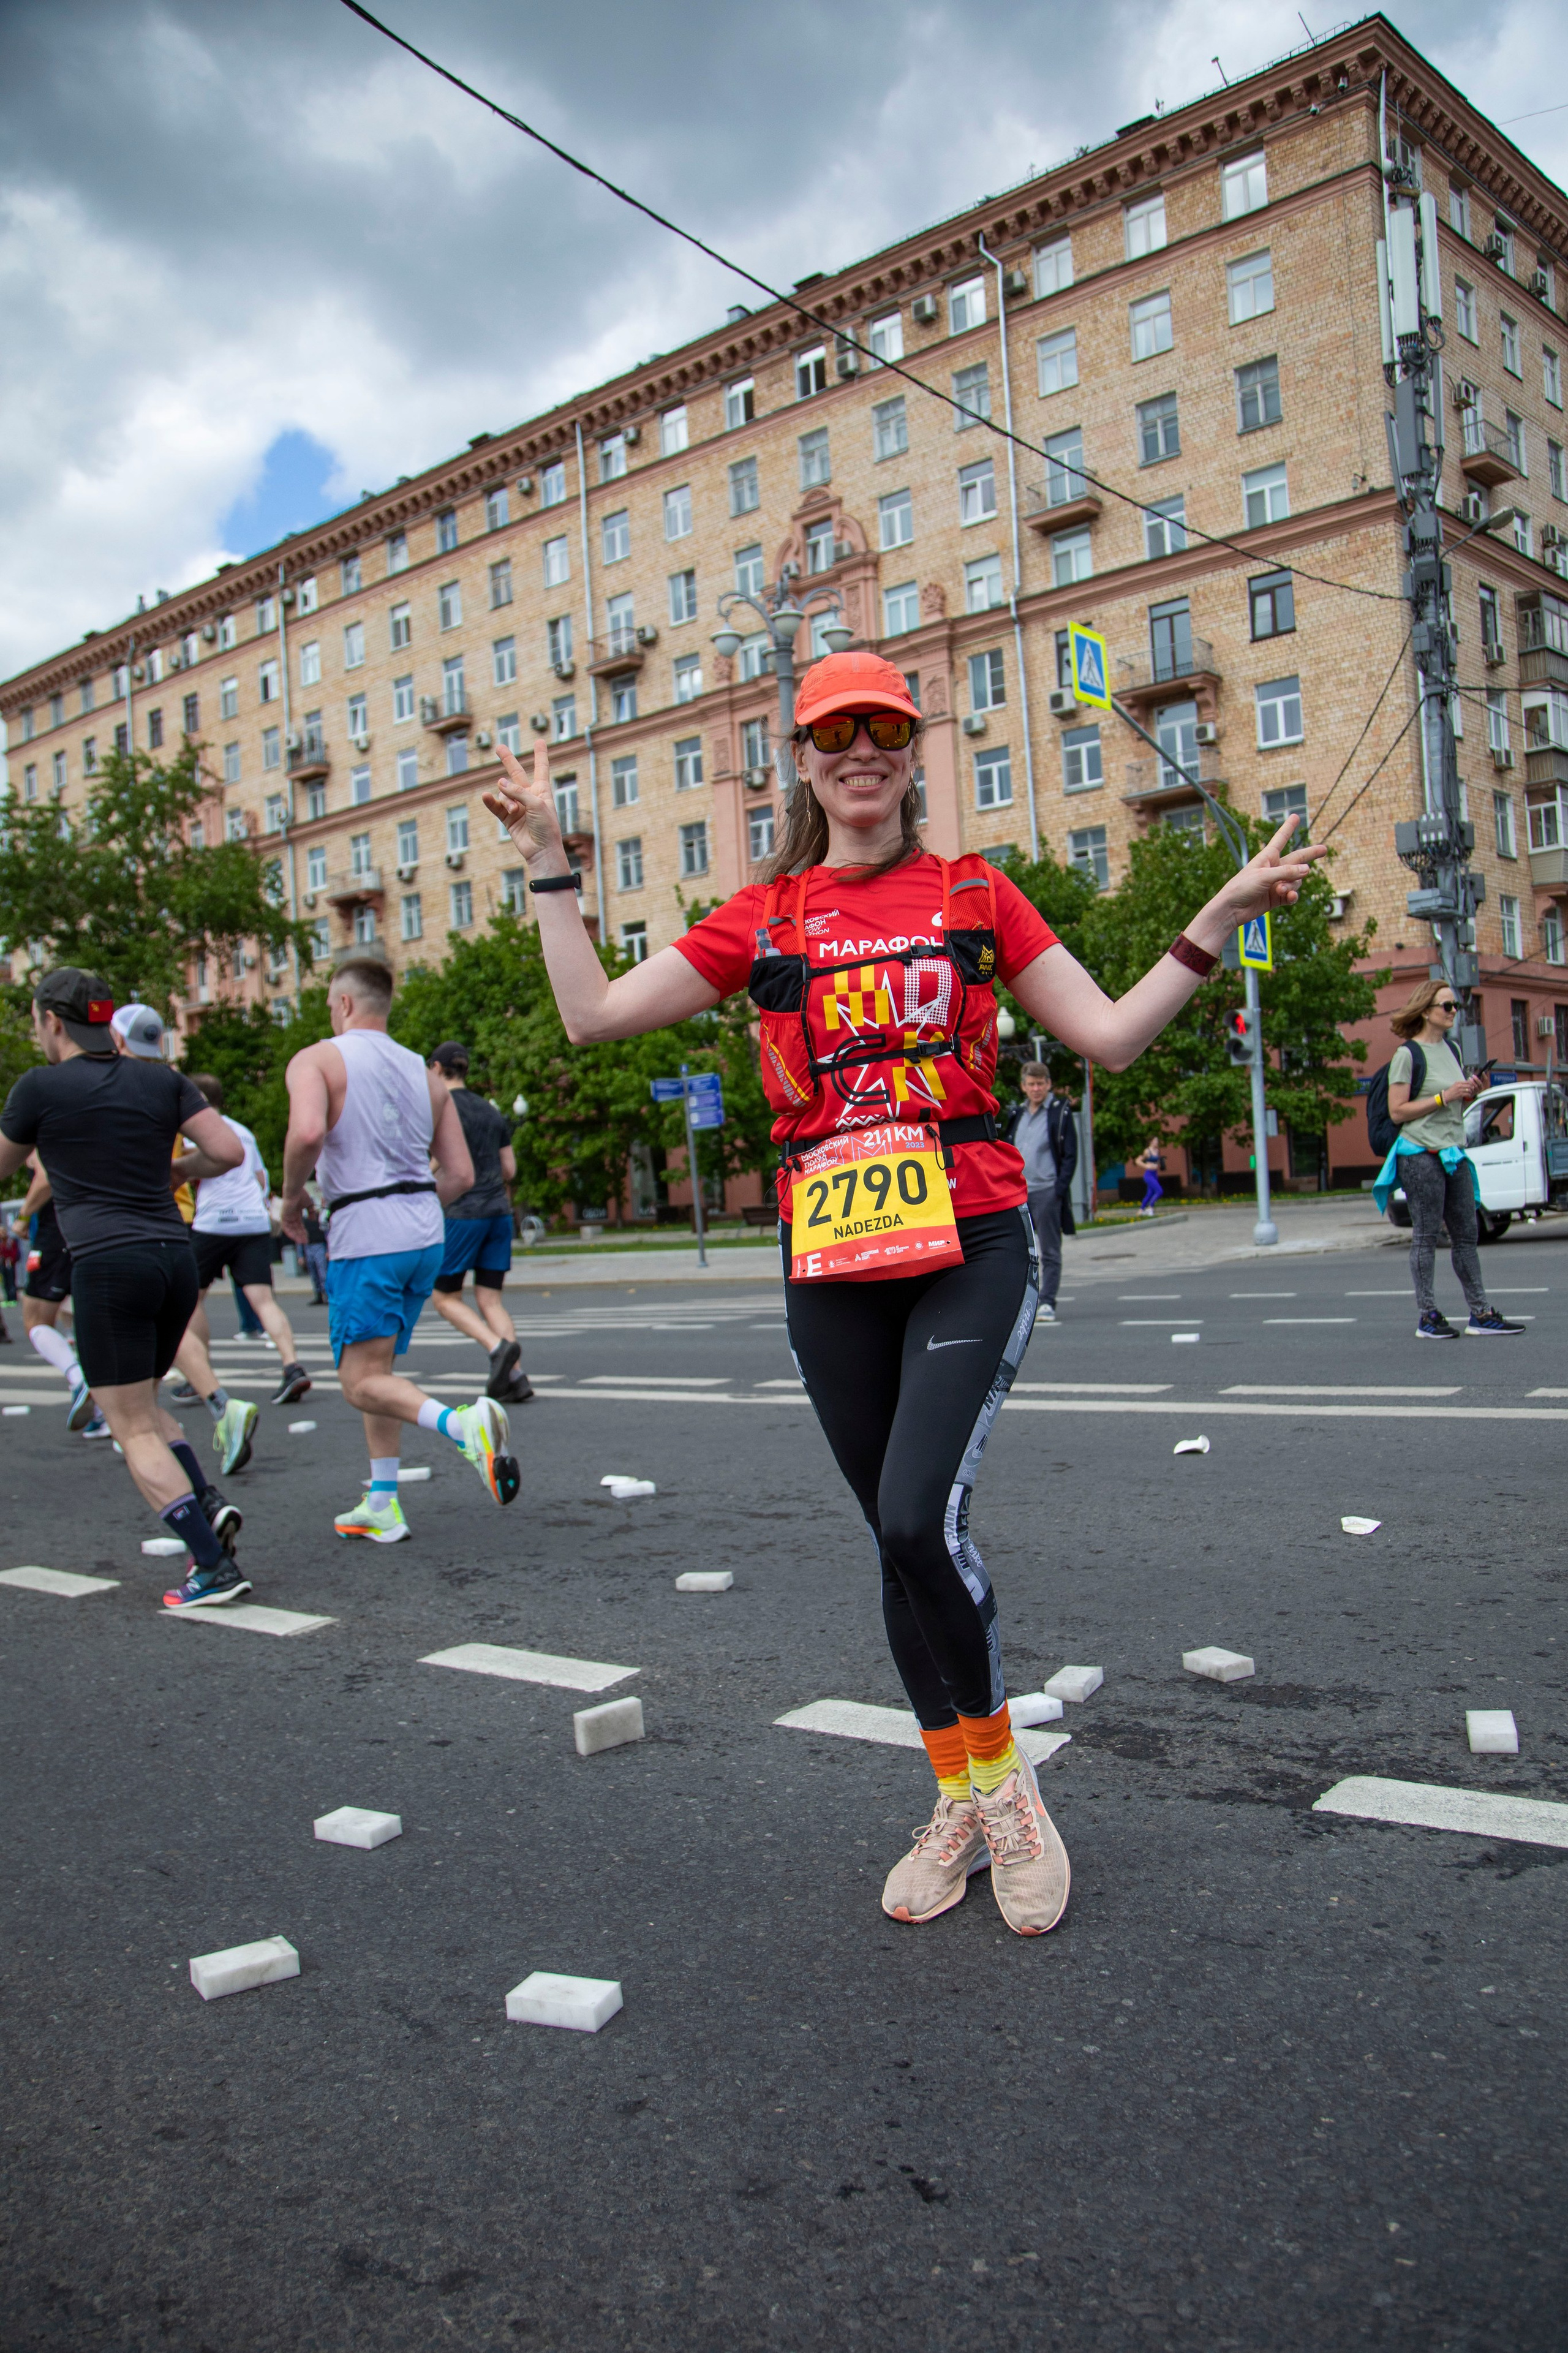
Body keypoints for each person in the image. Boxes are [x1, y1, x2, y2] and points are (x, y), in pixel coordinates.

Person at [484, 648, 1323, 1939]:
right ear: (802, 763)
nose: (860, 748)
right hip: (827, 1257)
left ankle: (1011, 1797)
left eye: (883, 727)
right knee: (890, 1532)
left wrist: (1210, 920)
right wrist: (549, 854)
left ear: (912, 750)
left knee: (919, 1514)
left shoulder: (975, 893)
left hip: (973, 1236)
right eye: (834, 733)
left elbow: (1101, 1036)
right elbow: (591, 1014)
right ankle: (961, 1792)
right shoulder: (761, 917)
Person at [0, 969, 252, 1609]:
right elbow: (226, 1151)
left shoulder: (39, 1088)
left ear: (51, 1022)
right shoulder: (162, 1078)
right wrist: (176, 1170)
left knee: (129, 1424)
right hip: (173, 1259)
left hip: (108, 1266)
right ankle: (208, 1502)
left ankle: (211, 1566)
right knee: (148, 1402)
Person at [278, 953, 521, 1542]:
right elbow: (459, 1175)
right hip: (424, 1230)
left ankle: (463, 1426)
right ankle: (383, 1500)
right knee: (379, 1372)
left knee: (358, 1381)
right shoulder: (426, 1075)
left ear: (342, 1003)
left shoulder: (317, 1059)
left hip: (367, 1231)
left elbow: (308, 1133)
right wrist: (410, 1204)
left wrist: (289, 1202)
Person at [1375, 980, 1525, 1340]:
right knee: (1426, 1236)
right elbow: (1397, 1112)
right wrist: (1444, 1097)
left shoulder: (1453, 1049)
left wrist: (1473, 1091)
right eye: (1447, 1006)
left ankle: (1481, 1314)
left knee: (1467, 1234)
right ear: (1426, 1011)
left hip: (1453, 1152)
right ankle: (1428, 1317)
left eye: (1455, 1005)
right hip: (1420, 1155)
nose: (1454, 1011)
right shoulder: (1407, 1055)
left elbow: (1453, 1104)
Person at [172, 1072, 312, 1421]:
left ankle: (199, 1376)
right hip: (252, 1220)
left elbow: (185, 1171)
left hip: (214, 1222)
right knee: (264, 1300)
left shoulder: (199, 1134)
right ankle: (292, 1366)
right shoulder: (245, 1133)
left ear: (201, 1099)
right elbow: (262, 1178)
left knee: (191, 1299)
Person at [427, 1041, 535, 1404]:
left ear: (438, 1069)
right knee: (491, 1300)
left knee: (444, 1297)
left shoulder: (441, 1106)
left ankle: (496, 1349)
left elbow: (438, 1163)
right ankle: (517, 1377)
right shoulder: (491, 1112)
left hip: (463, 1215)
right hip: (499, 1214)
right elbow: (510, 1169)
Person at [1005, 1062, 1077, 1322]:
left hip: (1047, 1190)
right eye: (1031, 1084)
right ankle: (1022, 1303)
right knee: (1019, 1251)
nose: (1036, 1089)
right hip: (1020, 1192)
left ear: (1049, 1085)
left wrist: (1059, 1189)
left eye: (1041, 1084)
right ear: (1024, 1086)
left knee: (1049, 1250)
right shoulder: (1017, 1113)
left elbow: (1070, 1154)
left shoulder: (1059, 1113)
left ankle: (1047, 1302)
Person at [1135, 1138, 1164, 1217]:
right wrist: (1146, 1166)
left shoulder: (1157, 1151)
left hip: (1155, 1174)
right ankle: (1150, 1207)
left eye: (1157, 1141)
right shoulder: (1147, 1151)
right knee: (1160, 1191)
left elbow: (1157, 1162)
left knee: (1150, 1193)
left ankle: (1141, 1210)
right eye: (1155, 1141)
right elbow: (1138, 1161)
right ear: (1151, 1142)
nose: (1157, 1142)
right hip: (1149, 1175)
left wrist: (1161, 1163)